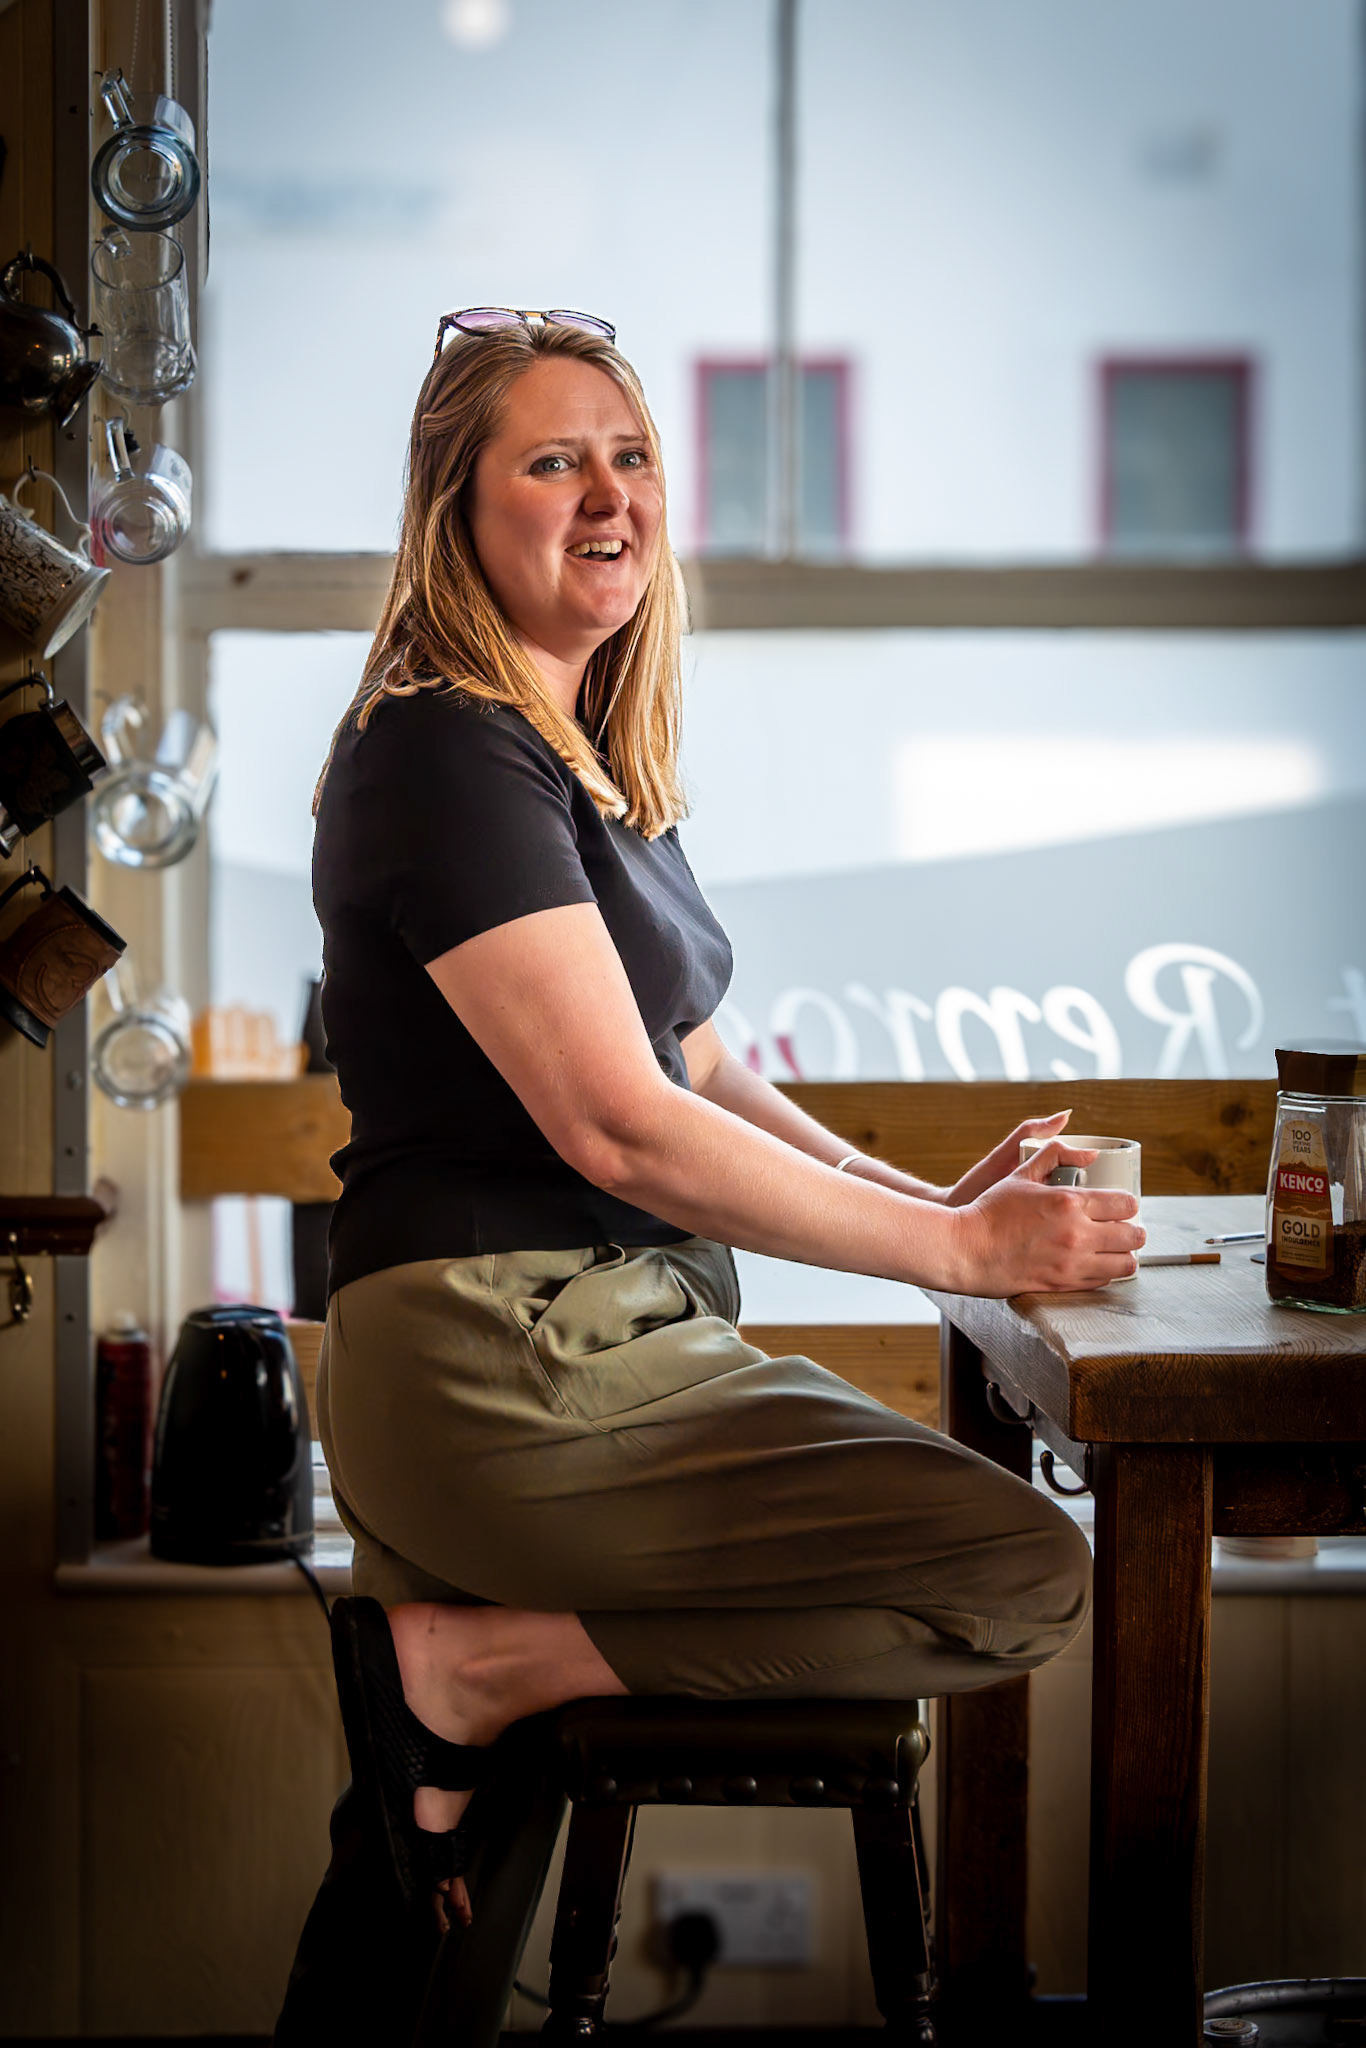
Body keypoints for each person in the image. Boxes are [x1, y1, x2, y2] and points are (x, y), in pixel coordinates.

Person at [273, 306, 1142, 2042]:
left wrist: (922, 1203)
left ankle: (484, 1676)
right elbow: (618, 1128)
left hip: (602, 1336)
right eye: (551, 459)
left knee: (1012, 1562)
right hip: (500, 1352)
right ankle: (479, 1665)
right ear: (458, 509)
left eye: (632, 455)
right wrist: (953, 1257)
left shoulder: (582, 752)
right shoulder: (447, 749)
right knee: (1027, 1574)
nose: (609, 494)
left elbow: (693, 1061)